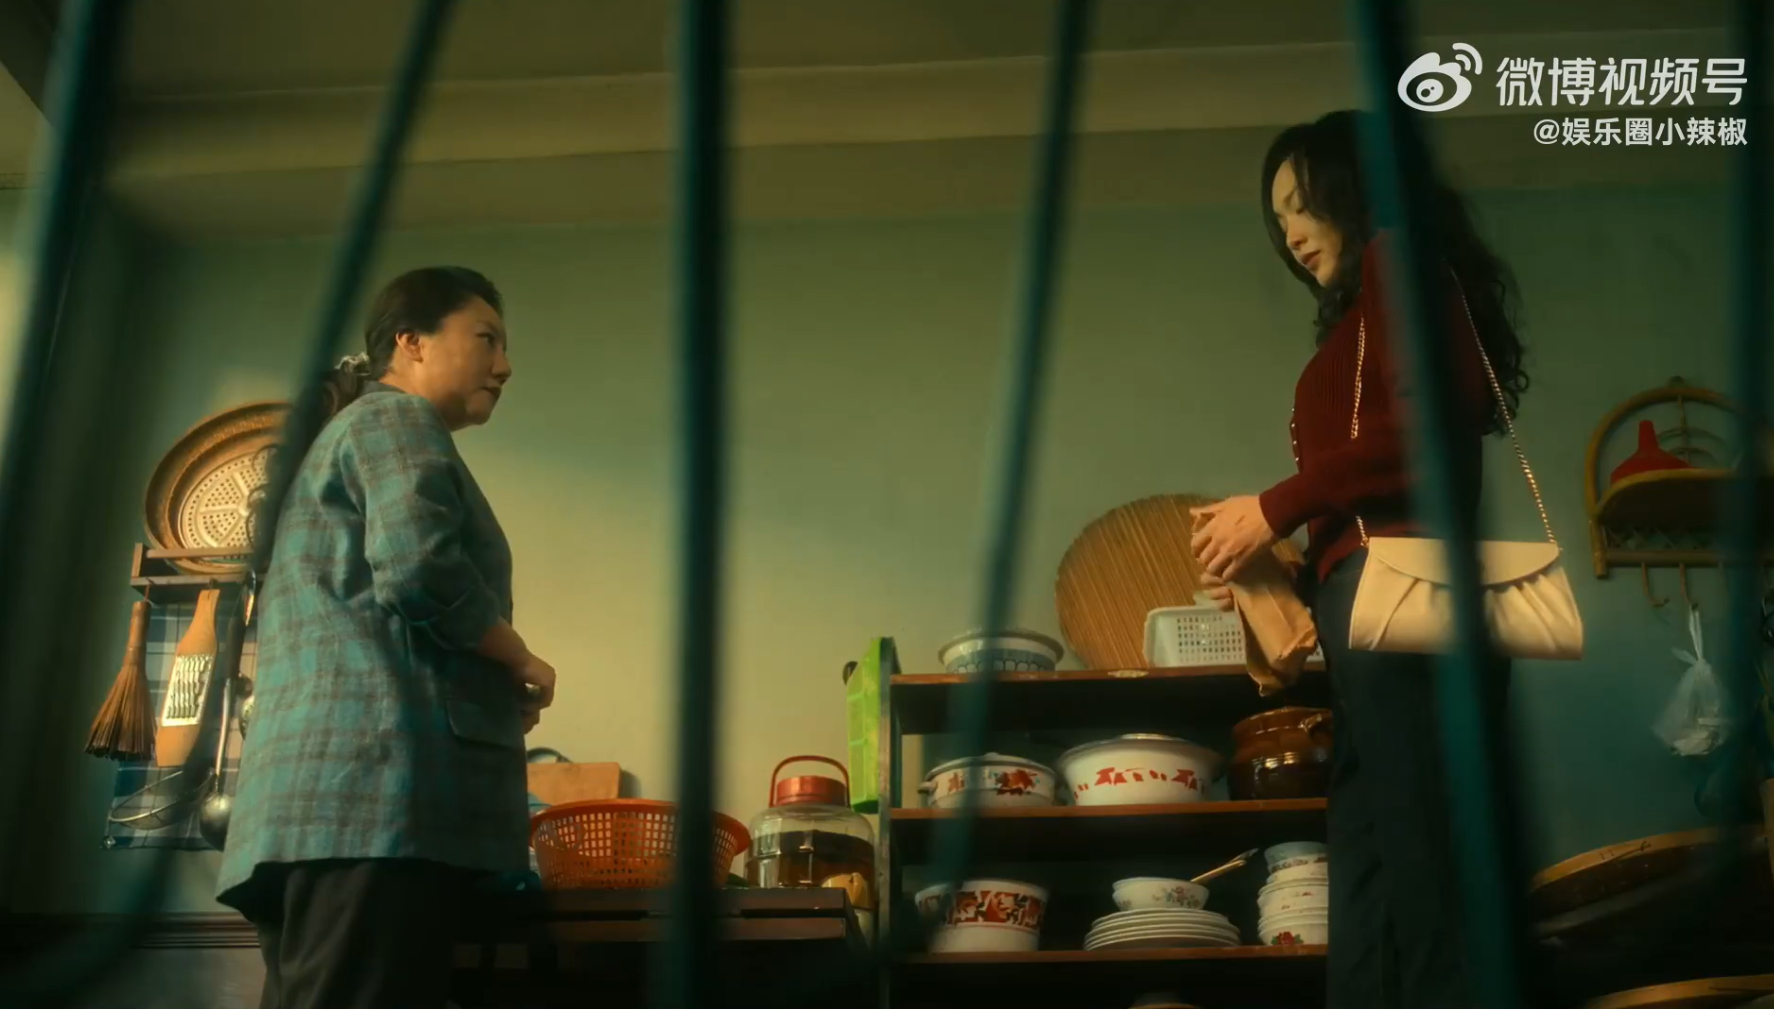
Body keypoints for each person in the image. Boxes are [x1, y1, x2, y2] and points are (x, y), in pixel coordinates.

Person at [1190, 110, 1528, 1009]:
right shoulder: (1359, 314)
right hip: (1371, 604)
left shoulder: (1399, 259)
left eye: (1302, 203)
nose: (1291, 233)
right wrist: (1281, 577)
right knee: (1375, 871)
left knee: (1417, 863)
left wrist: (1271, 509)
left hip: (1403, 601)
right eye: (1279, 218)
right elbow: (1370, 498)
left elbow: (1424, 438)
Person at [216, 266, 558, 1009]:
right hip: (376, 806)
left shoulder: (347, 436)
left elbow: (381, 611)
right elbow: (419, 568)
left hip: (317, 814)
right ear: (412, 341)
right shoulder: (398, 420)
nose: (504, 365)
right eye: (487, 338)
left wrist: (487, 682)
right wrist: (517, 657)